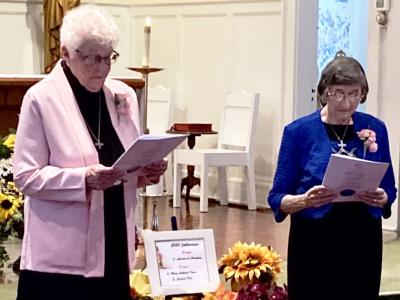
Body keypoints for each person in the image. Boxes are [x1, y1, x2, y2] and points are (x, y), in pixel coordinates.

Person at [13, 5, 167, 300]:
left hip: (114, 241)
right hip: (60, 256)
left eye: (108, 57)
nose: (103, 67)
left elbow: (125, 163)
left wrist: (145, 172)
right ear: (66, 53)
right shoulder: (41, 99)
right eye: (92, 58)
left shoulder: (122, 96)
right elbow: (26, 177)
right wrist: (83, 179)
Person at [268, 51, 397, 300]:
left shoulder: (375, 128)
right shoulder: (298, 132)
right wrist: (303, 200)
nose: (347, 103)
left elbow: (390, 187)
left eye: (354, 94)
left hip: (362, 235)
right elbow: (276, 197)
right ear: (325, 91)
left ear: (362, 94)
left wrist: (382, 198)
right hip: (315, 236)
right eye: (339, 93)